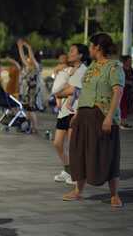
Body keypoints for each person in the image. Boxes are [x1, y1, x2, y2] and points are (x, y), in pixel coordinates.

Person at [64, 33, 124, 208]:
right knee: (79, 152)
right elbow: (85, 92)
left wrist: (109, 117)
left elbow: (117, 93)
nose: (89, 49)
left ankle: (114, 194)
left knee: (108, 153)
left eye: (91, 46)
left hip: (102, 115)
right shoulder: (92, 67)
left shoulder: (114, 67)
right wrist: (77, 113)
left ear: (97, 47)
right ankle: (78, 191)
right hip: (84, 116)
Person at [52, 44, 90, 185]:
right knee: (57, 143)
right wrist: (62, 90)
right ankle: (68, 169)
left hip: (76, 110)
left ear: (80, 55)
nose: (69, 53)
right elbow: (58, 90)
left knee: (73, 145)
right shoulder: (67, 69)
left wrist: (62, 90)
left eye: (72, 51)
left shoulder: (84, 71)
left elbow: (71, 90)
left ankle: (77, 173)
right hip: (63, 111)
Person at [17, 39, 41, 134]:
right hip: (26, 90)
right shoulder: (28, 67)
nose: (27, 59)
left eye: (29, 58)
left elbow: (31, 56)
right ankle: (29, 127)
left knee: (31, 110)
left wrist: (28, 47)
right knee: (27, 109)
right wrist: (20, 47)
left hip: (32, 91)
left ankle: (35, 128)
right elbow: (22, 57)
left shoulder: (36, 67)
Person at [119, 55, 133, 130]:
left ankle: (124, 122)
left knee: (127, 106)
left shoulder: (130, 69)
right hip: (123, 90)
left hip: (129, 91)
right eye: (129, 60)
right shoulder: (121, 69)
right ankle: (121, 123)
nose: (130, 62)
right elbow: (121, 79)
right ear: (125, 61)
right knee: (123, 106)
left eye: (131, 60)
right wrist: (128, 82)